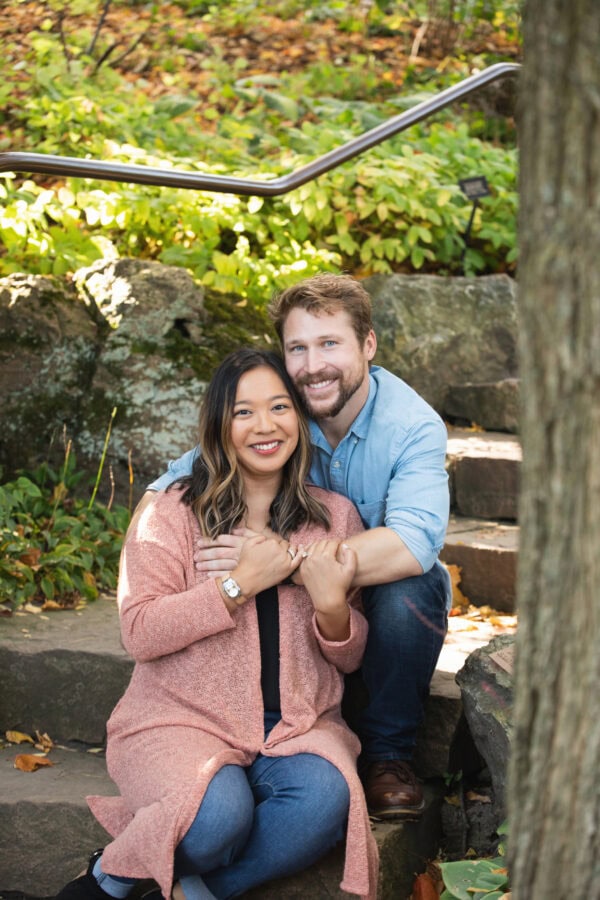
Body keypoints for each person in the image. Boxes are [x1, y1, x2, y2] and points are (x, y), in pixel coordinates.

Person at [56, 348, 377, 900]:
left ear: (299, 418)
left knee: (327, 800)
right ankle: (109, 876)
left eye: (279, 407)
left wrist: (331, 609)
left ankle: (181, 892)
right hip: (182, 721)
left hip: (295, 728)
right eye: (243, 412)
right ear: (218, 424)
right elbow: (140, 631)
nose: (265, 426)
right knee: (215, 821)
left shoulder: (334, 517)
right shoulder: (171, 512)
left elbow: (347, 658)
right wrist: (237, 586)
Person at [145, 273, 452, 820]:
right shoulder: (281, 407)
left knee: (415, 586)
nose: (313, 365)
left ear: (369, 345)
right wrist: (148, 550)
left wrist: (280, 566)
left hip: (366, 596)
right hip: (294, 623)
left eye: (330, 344)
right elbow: (173, 482)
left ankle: (386, 755)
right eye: (298, 348)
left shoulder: (412, 427)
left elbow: (412, 543)